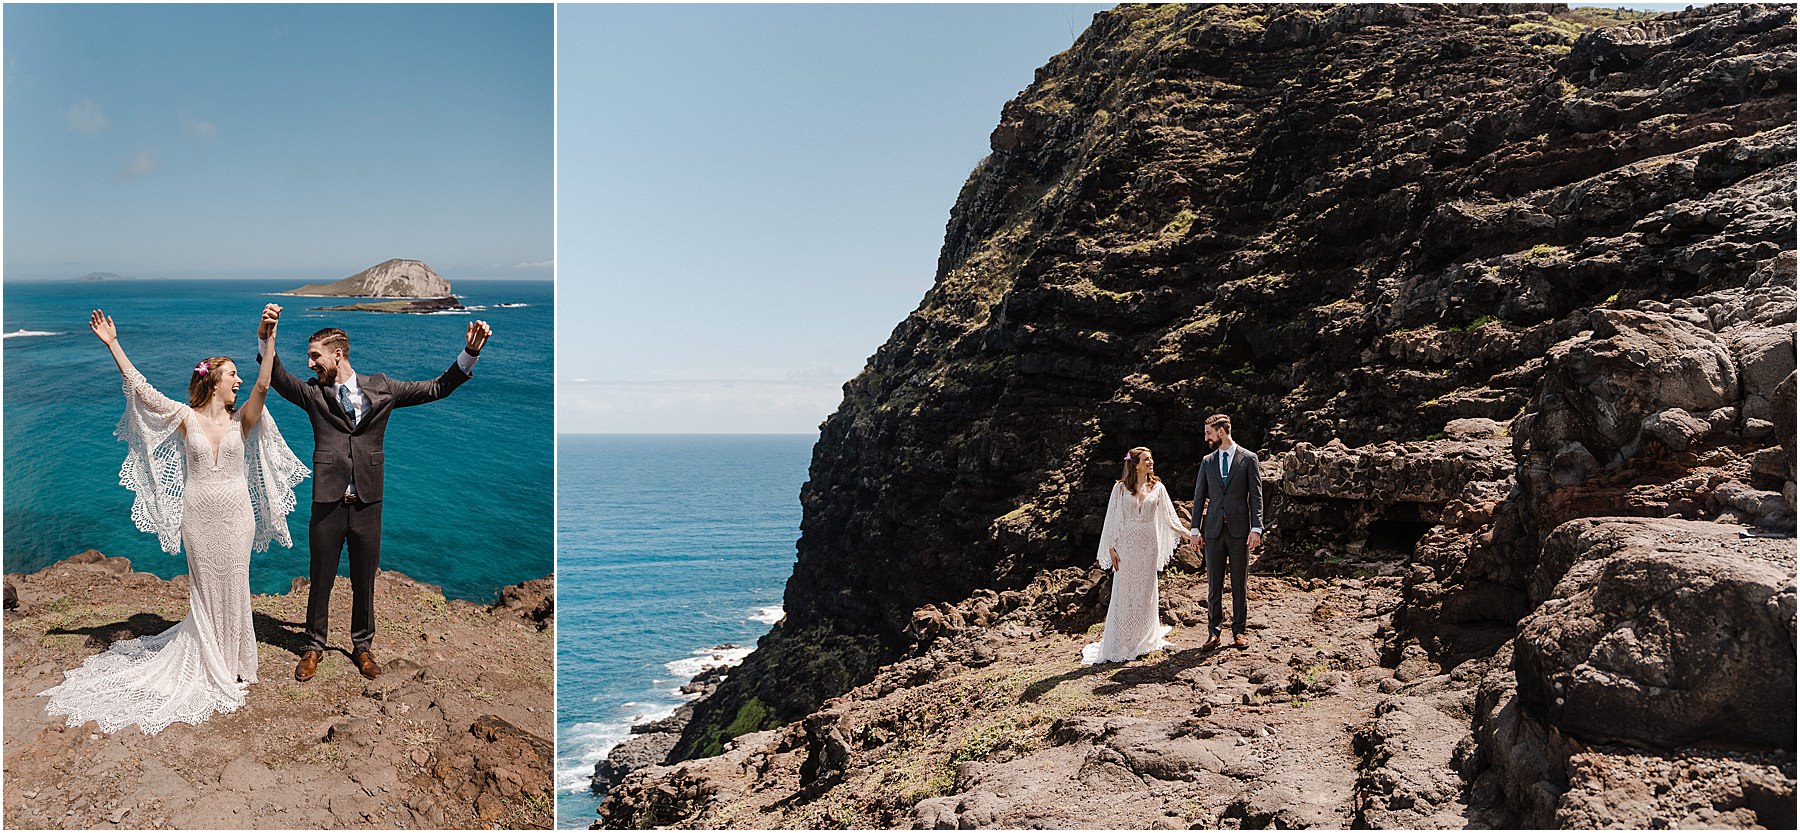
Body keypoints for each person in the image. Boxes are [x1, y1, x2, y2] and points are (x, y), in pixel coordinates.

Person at [40, 309, 309, 734]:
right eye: (231, 374)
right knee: (204, 588)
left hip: (238, 517)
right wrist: (113, 344)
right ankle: (209, 659)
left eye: (239, 374)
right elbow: (142, 390)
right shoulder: (185, 417)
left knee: (236, 583)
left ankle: (235, 660)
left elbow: (263, 382)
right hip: (199, 517)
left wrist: (268, 336)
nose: (238, 380)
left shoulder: (245, 419)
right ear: (213, 381)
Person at [256, 304, 490, 682]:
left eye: (315, 356)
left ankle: (362, 647)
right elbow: (278, 377)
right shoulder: (314, 394)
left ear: (338, 354)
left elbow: (436, 388)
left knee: (365, 579)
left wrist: (471, 353)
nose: (311, 363)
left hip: (368, 502)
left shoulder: (382, 387)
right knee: (321, 578)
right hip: (327, 502)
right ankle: (314, 646)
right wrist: (267, 336)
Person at [1082, 446, 1192, 665]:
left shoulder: (1158, 487)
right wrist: (1111, 548)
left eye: (1151, 458)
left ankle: (1143, 639)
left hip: (1149, 545)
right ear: (1135, 464)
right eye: (1146, 459)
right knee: (1124, 592)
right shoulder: (1120, 489)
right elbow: (1112, 519)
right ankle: (1121, 642)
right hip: (1126, 545)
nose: (1151, 462)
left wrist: (1190, 535)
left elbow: (1170, 518)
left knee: (1145, 591)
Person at [1191, 414, 1263, 650]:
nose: (1206, 437)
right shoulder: (1207, 461)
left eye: (1208, 432)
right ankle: (1214, 632)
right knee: (1214, 584)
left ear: (1221, 432)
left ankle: (1239, 631)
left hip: (1240, 531)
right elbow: (1200, 496)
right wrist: (1194, 529)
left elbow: (1256, 495)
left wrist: (1256, 528)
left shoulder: (1249, 459)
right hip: (1212, 530)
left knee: (1239, 582)